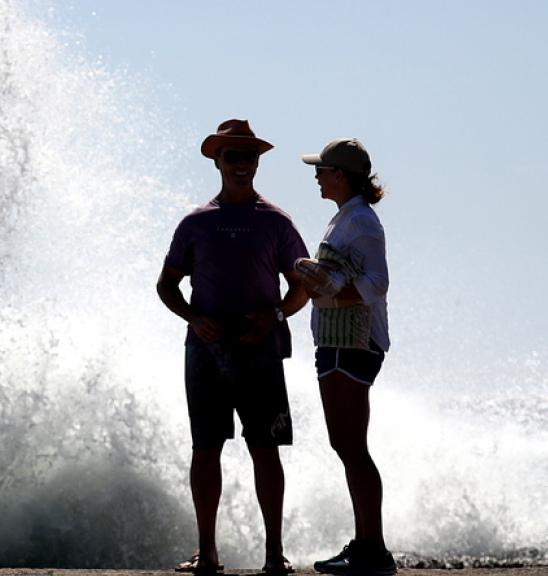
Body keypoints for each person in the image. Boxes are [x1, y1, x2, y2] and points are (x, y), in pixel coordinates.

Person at [157, 119, 310, 575]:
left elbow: (302, 285)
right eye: (233, 156)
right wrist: (193, 318)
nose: (242, 164)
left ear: (258, 162)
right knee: (205, 450)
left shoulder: (276, 221)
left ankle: (274, 555)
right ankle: (207, 553)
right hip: (203, 352)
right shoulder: (195, 222)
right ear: (216, 160)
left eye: (250, 156)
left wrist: (275, 315)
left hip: (260, 351)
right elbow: (166, 286)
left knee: (266, 450)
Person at [298, 139, 396, 576]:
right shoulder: (347, 216)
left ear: (341, 174)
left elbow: (378, 281)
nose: (317, 175)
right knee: (349, 446)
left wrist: (333, 298)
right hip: (340, 344)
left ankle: (372, 552)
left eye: (322, 169)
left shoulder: (360, 219)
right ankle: (366, 546)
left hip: (351, 344)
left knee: (351, 447)